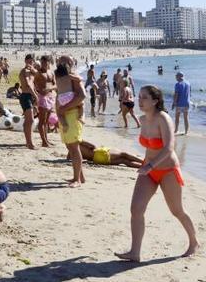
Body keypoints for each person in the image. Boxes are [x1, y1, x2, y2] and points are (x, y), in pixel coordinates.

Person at [115, 85, 198, 262]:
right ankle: (135, 252)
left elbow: (169, 148)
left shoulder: (164, 118)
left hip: (167, 170)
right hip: (150, 170)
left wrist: (150, 165)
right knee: (136, 209)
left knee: (177, 210)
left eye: (144, 97)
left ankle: (194, 242)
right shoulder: (143, 120)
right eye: (140, 97)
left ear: (155, 101)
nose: (140, 100)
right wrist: (148, 165)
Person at [55, 56, 86, 188]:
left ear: (70, 64)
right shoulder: (62, 77)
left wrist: (63, 108)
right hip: (65, 113)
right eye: (60, 61)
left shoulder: (74, 77)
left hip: (72, 115)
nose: (61, 63)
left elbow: (82, 96)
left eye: (64, 62)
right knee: (70, 146)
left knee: (73, 147)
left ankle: (77, 180)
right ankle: (80, 176)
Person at [17, 54, 39, 149]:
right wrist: (36, 96)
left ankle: (28, 142)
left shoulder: (31, 72)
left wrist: (33, 69)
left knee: (28, 121)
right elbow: (29, 85)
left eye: (32, 62)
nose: (30, 63)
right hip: (26, 96)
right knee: (30, 120)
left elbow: (39, 75)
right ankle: (29, 143)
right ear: (25, 61)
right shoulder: (25, 71)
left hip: (30, 96)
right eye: (29, 61)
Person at [33, 55, 56, 147]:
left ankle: (46, 140)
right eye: (42, 63)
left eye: (45, 63)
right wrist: (36, 96)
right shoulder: (38, 73)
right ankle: (43, 141)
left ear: (49, 63)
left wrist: (50, 88)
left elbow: (55, 85)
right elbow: (32, 85)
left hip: (50, 97)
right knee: (42, 121)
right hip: (42, 97)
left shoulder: (51, 73)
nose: (44, 64)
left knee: (47, 121)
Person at [78, 140, 143, 168]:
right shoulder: (78, 141)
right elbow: (93, 146)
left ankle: (142, 166)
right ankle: (144, 162)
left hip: (97, 160)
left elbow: (74, 158)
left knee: (124, 161)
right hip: (100, 153)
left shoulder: (72, 148)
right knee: (123, 154)